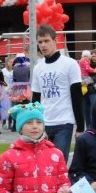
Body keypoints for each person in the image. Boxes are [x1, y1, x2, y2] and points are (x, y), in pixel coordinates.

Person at [31, 25, 85, 161]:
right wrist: (33, 123)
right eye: (40, 42)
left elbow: (76, 96)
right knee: (43, 163)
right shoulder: (38, 68)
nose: (43, 45)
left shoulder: (70, 64)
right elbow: (35, 99)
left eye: (46, 41)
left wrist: (80, 126)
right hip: (44, 123)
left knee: (58, 162)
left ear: (55, 41)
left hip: (64, 122)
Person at [6, 55, 32, 132]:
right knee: (26, 107)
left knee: (16, 107)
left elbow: (14, 79)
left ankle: (14, 125)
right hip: (26, 88)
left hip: (16, 88)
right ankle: (23, 125)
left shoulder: (15, 68)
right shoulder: (28, 68)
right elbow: (30, 78)